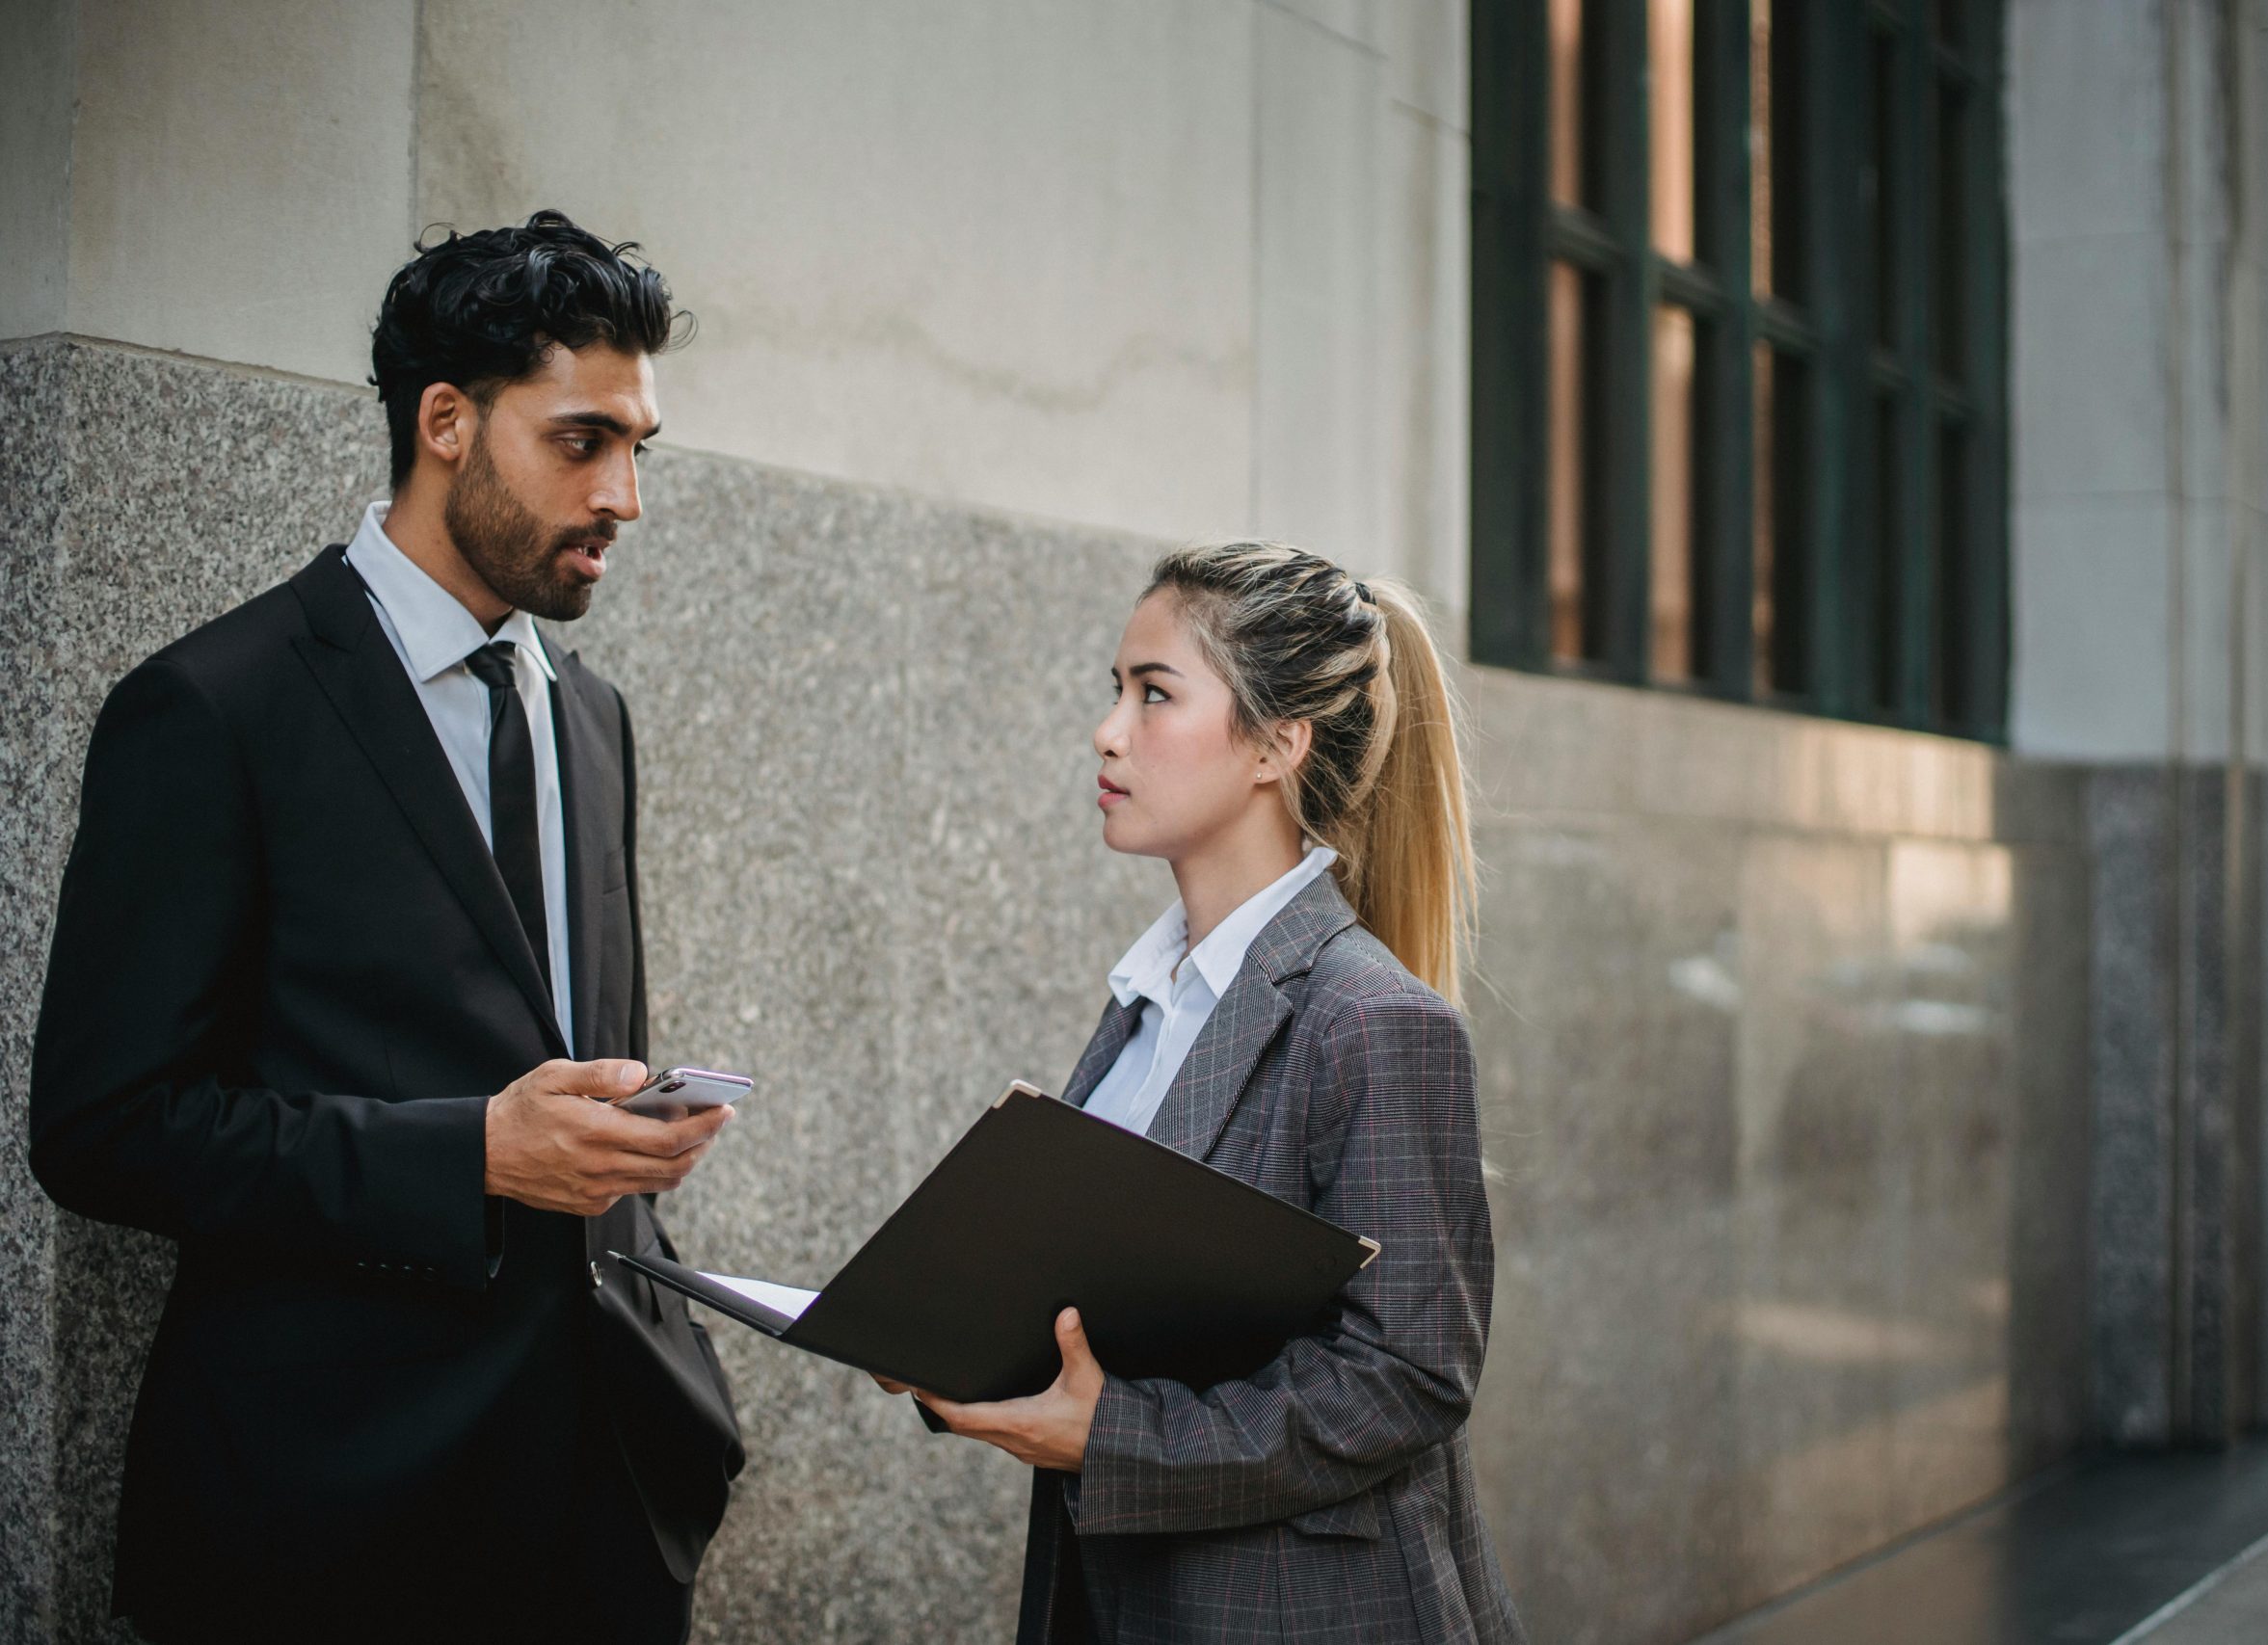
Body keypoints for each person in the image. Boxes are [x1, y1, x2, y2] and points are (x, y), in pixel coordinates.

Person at [29, 211, 744, 1644]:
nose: (626, 496)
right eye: (583, 440)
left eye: (638, 449)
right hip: (329, 1520)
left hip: (604, 1508)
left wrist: (628, 1133)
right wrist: (473, 1150)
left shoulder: (590, 716)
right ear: (446, 424)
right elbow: (103, 1125)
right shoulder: (215, 708)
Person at [889, 543, 1528, 1643]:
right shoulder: (1151, 996)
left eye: (1154, 695)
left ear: (1278, 744)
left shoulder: (1372, 1021)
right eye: (1115, 692)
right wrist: (960, 1334)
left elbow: (1408, 1381)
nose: (1108, 731)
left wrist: (1114, 1437)